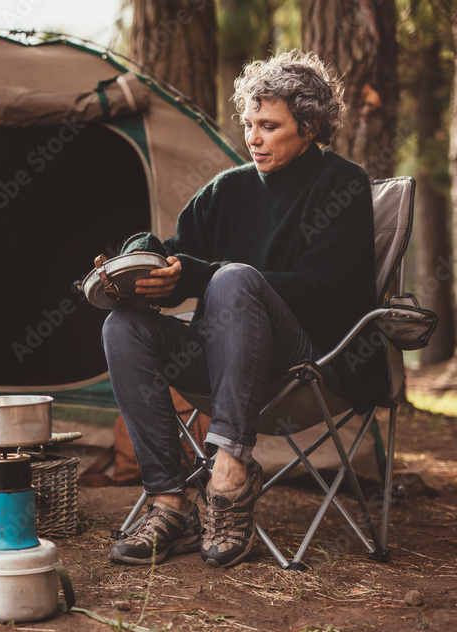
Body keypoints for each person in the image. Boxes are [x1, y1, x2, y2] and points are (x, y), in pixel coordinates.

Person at [101, 50, 388, 568]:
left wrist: (203, 273)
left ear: (311, 126)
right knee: (122, 326)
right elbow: (172, 251)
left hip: (310, 364)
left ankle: (229, 476)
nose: (253, 138)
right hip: (222, 362)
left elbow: (326, 290)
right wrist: (136, 264)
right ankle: (169, 505)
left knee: (233, 278)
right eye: (250, 124)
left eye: (270, 126)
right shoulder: (228, 190)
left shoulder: (342, 185)